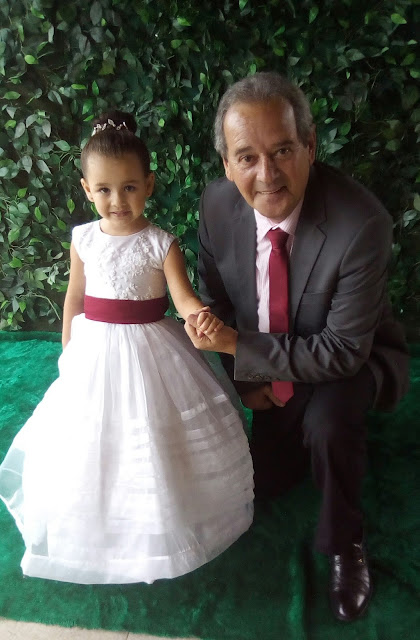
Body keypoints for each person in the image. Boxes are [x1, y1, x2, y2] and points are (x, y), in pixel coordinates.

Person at [185, 72, 409, 622]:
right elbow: (219, 302)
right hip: (269, 361)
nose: (267, 175)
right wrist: (246, 379)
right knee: (264, 480)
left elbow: (342, 351)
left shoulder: (362, 224)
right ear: (227, 165)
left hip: (349, 359)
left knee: (328, 426)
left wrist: (240, 348)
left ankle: (345, 543)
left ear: (310, 146)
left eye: (283, 150)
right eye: (247, 157)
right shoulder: (215, 206)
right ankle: (290, 421)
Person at [0, 110, 254, 585]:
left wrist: (197, 314)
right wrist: (68, 349)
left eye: (130, 187)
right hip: (94, 351)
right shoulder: (83, 239)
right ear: (86, 189)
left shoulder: (161, 244)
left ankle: (161, 520)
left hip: (152, 350)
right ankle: (95, 521)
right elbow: (75, 298)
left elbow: (182, 298)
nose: (117, 200)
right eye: (104, 189)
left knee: (151, 433)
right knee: (92, 435)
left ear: (149, 184)